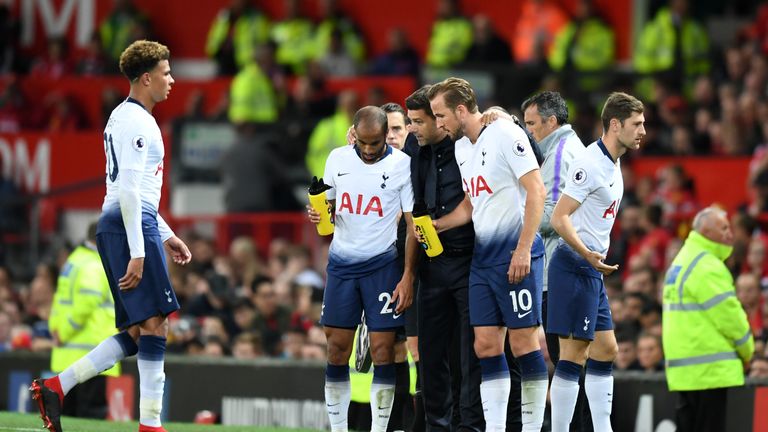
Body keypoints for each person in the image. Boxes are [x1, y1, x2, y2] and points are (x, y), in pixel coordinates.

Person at [30, 40, 192, 432]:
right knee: (157, 326)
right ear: (147, 77)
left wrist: (164, 234)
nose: (172, 80)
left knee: (137, 332)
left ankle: (56, 386)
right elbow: (130, 190)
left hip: (123, 224)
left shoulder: (123, 117)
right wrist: (140, 249)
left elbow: (131, 189)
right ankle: (151, 424)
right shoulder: (138, 121)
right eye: (167, 73)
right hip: (126, 227)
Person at [428, 77, 548, 432]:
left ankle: (531, 428)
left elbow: (537, 190)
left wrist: (524, 248)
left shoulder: (506, 134)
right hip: (483, 260)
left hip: (516, 253)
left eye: (440, 115)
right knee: (484, 344)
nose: (439, 124)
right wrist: (438, 225)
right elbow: (470, 205)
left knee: (525, 342)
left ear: (461, 110)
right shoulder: (462, 148)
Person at [307, 106, 416, 432]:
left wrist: (408, 274)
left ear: (387, 136)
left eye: (376, 143)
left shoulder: (402, 165)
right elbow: (327, 216)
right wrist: (320, 212)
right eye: (363, 143)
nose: (369, 150)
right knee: (337, 349)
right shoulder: (337, 159)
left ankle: (380, 429)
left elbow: (412, 225)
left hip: (382, 266)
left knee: (384, 351)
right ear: (353, 135)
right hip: (342, 265)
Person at [547, 92, 646, 432]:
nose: (643, 131)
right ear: (615, 124)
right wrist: (586, 252)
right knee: (573, 356)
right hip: (575, 265)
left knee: (606, 348)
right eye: (637, 124)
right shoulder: (589, 164)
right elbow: (560, 218)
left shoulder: (614, 161)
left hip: (590, 268)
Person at [405, 85, 483, 431]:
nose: (415, 128)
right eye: (412, 122)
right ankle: (438, 425)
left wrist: (500, 116)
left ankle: (469, 425)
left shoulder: (467, 145)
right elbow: (379, 138)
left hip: (467, 259)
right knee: (432, 354)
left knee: (469, 353)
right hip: (431, 264)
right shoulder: (413, 146)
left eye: (423, 121)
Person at [521, 91, 592, 430]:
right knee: (571, 365)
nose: (528, 131)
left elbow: (553, 216)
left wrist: (515, 216)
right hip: (567, 272)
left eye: (532, 124)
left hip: (558, 273)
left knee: (567, 367)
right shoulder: (564, 150)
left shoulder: (561, 154)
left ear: (552, 122)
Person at [662, 206, 755, 432]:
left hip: (685, 370)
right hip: (709, 370)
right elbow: (729, 316)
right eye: (723, 228)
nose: (730, 233)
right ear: (706, 231)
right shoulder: (707, 266)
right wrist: (747, 350)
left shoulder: (683, 259)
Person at [48, 222, 119, 419]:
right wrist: (65, 332)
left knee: (68, 414)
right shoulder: (95, 265)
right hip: (92, 353)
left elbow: (59, 301)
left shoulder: (73, 261)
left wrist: (56, 330)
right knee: (91, 414)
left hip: (68, 352)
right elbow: (86, 304)